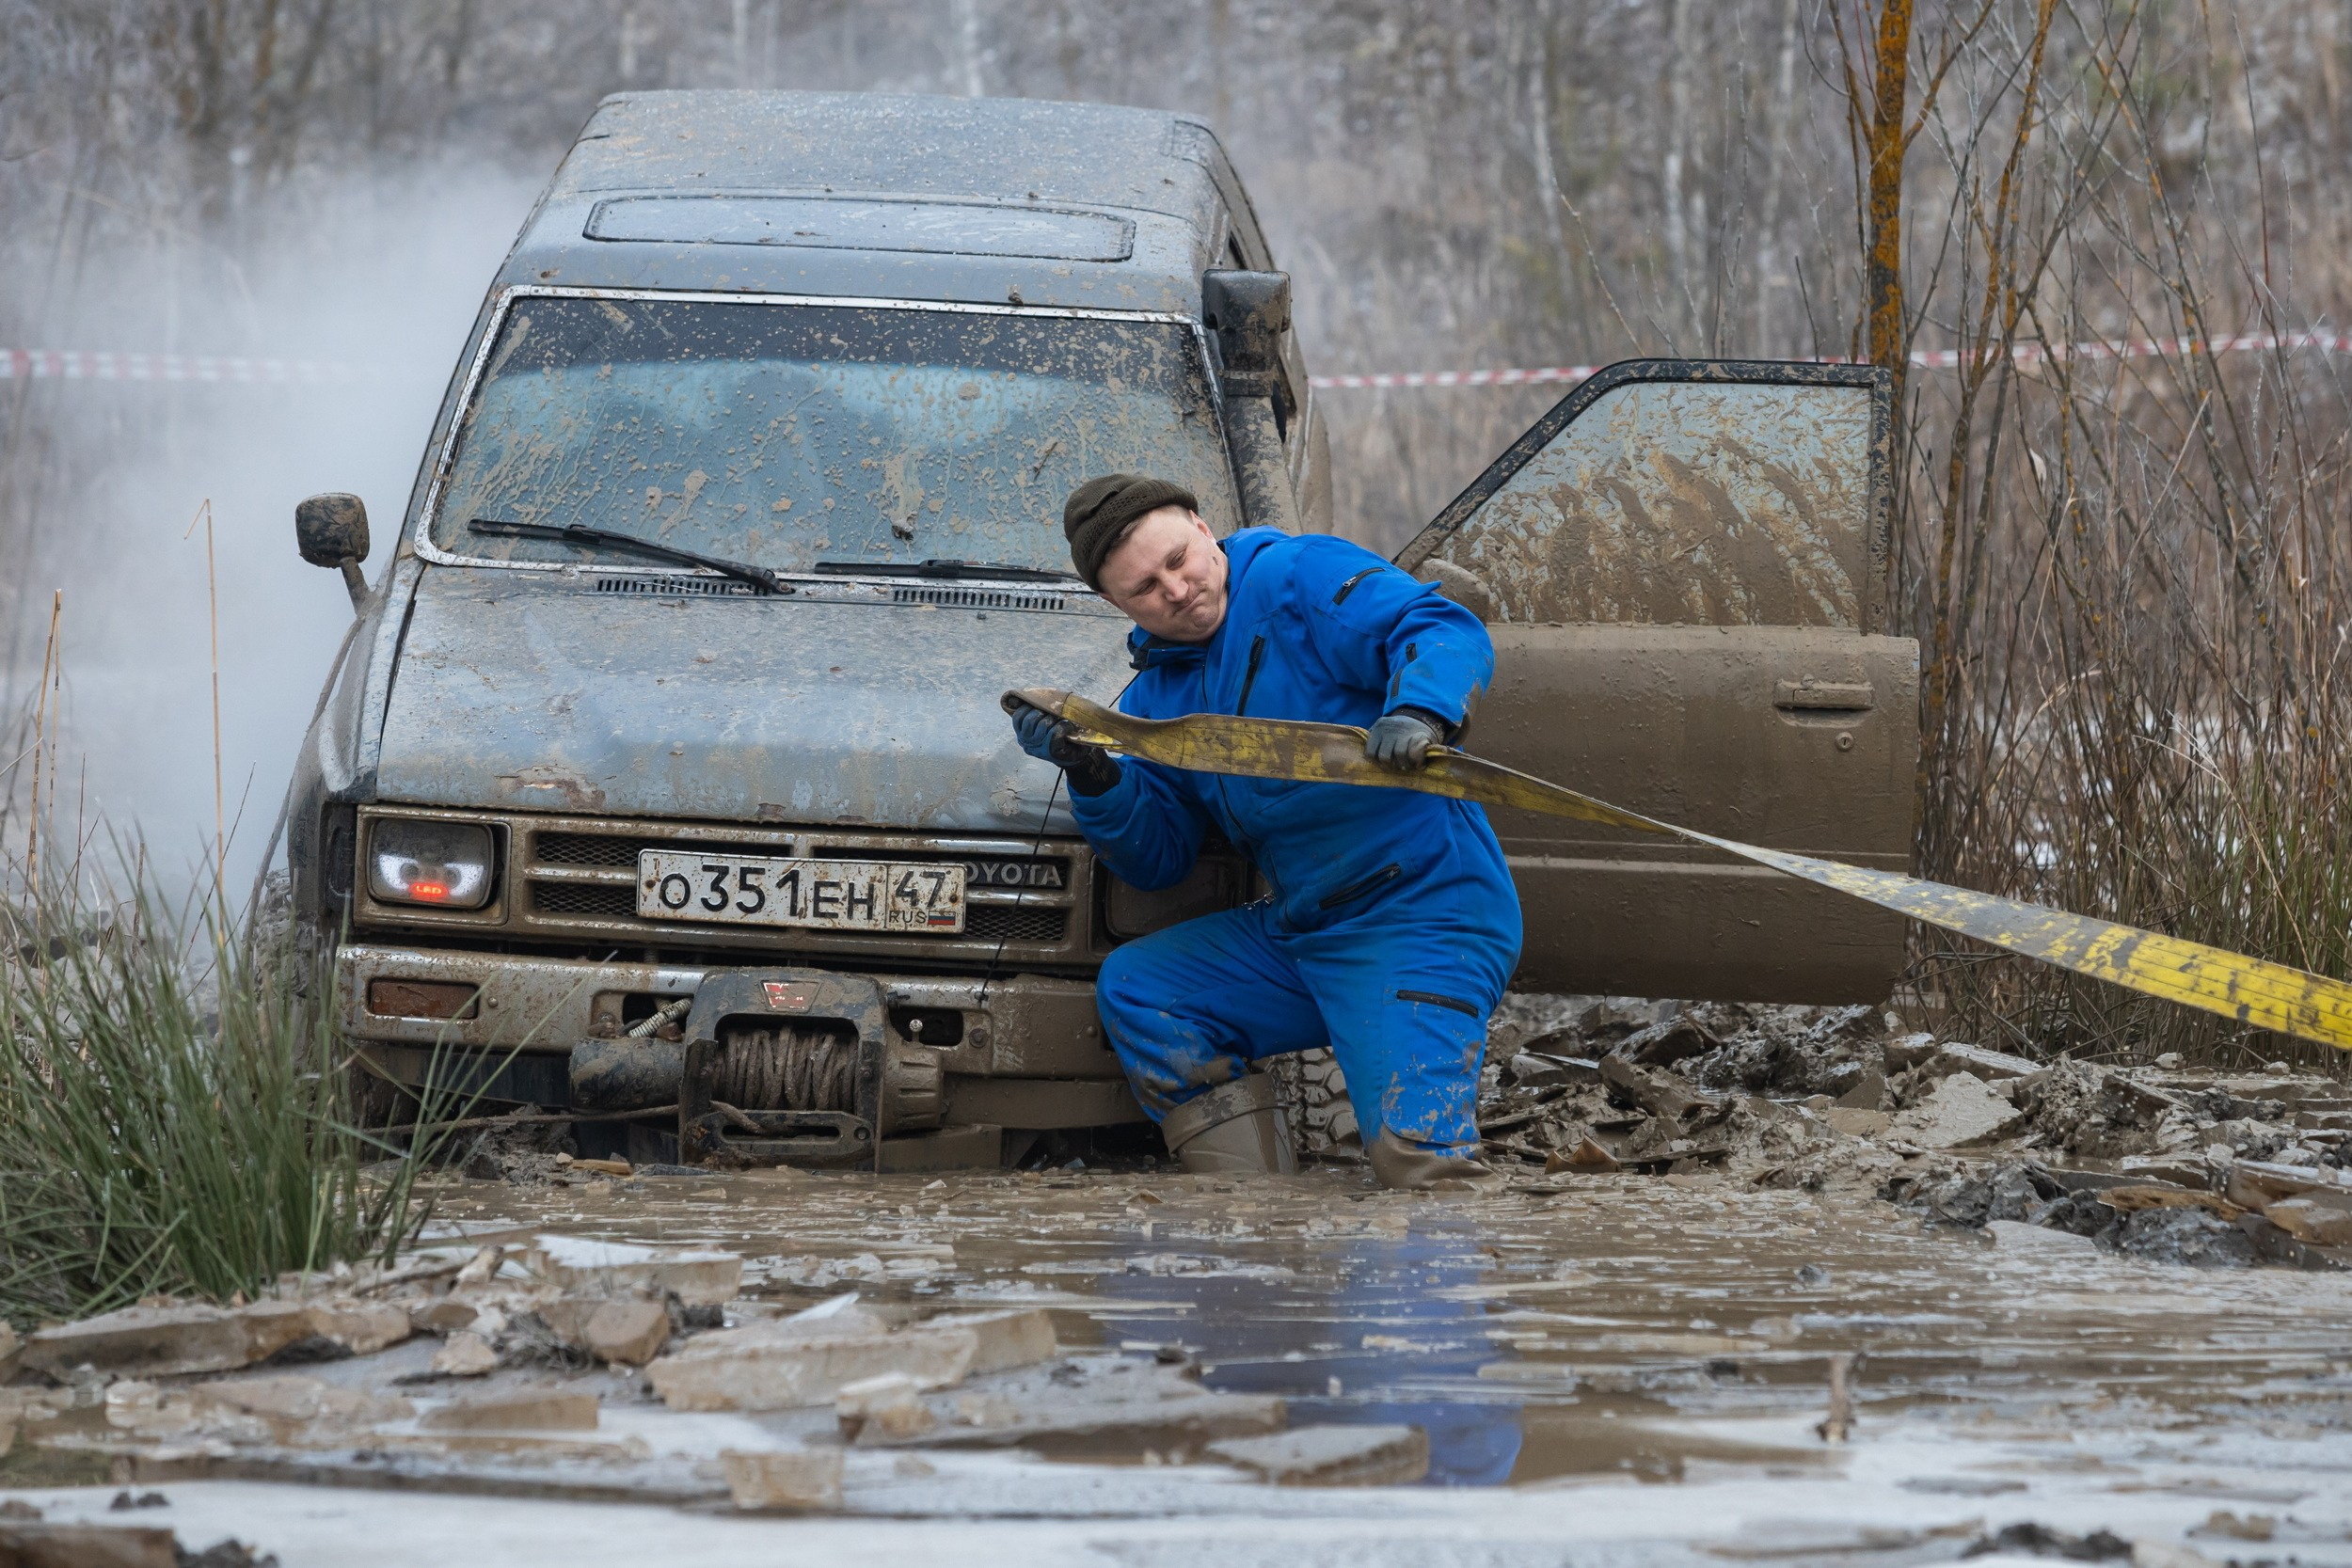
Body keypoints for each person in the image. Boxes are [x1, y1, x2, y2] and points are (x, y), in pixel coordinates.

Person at [1007, 473, 1522, 1190]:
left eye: (1179, 559)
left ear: (1202, 523)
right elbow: (1159, 858)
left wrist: (1422, 710)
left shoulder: (1297, 575)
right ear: (1114, 603)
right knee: (1143, 989)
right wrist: (1095, 775)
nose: (1176, 590)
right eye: (1146, 588)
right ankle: (1253, 1226)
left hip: (1426, 918)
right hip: (1307, 929)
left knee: (1419, 1169)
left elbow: (1439, 627)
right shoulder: (1156, 694)